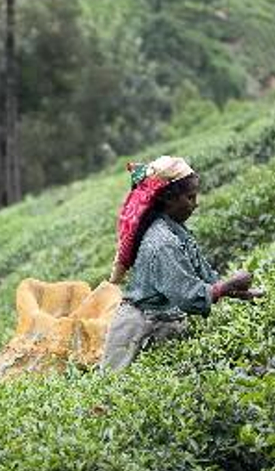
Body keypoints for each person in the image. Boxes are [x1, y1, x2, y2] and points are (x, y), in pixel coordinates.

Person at [101, 156, 262, 372]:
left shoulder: (176, 231)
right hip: (138, 330)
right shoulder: (161, 242)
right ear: (169, 200)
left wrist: (243, 293)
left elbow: (204, 276)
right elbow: (187, 296)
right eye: (190, 197)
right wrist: (228, 286)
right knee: (115, 395)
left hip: (162, 322)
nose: (196, 204)